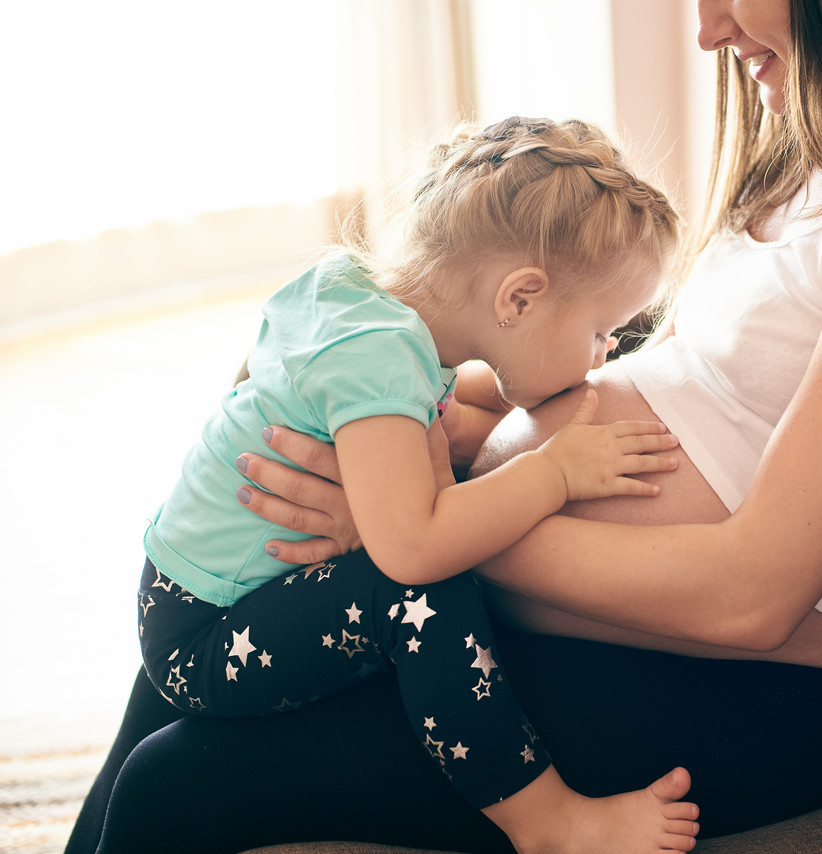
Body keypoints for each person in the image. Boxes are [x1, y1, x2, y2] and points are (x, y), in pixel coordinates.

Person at [67, 1, 822, 852]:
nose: (707, 29)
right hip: (572, 609)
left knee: (181, 782)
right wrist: (394, 429)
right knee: (200, 635)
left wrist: (423, 527)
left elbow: (751, 596)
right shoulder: (813, 164)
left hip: (742, 686)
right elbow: (663, 387)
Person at [126, 116, 701, 854]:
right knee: (425, 588)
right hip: (207, 638)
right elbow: (411, 547)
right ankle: (547, 821)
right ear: (519, 299)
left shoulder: (359, 294)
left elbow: (339, 386)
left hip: (180, 594)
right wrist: (552, 473)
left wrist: (473, 412)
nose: (603, 355)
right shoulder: (380, 362)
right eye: (601, 331)